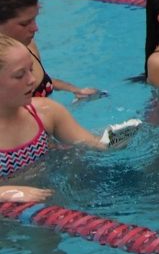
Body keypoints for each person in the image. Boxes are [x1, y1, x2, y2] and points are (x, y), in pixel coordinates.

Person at [0, 34, 105, 180]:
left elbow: (94, 143)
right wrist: (10, 192)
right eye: (19, 75)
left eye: (31, 69)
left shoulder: (46, 113)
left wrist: (121, 137)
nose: (33, 80)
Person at [0, 0, 96, 99]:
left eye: (34, 19)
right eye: (25, 23)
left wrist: (75, 90)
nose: (35, 28)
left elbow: (43, 79)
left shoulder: (29, 46)